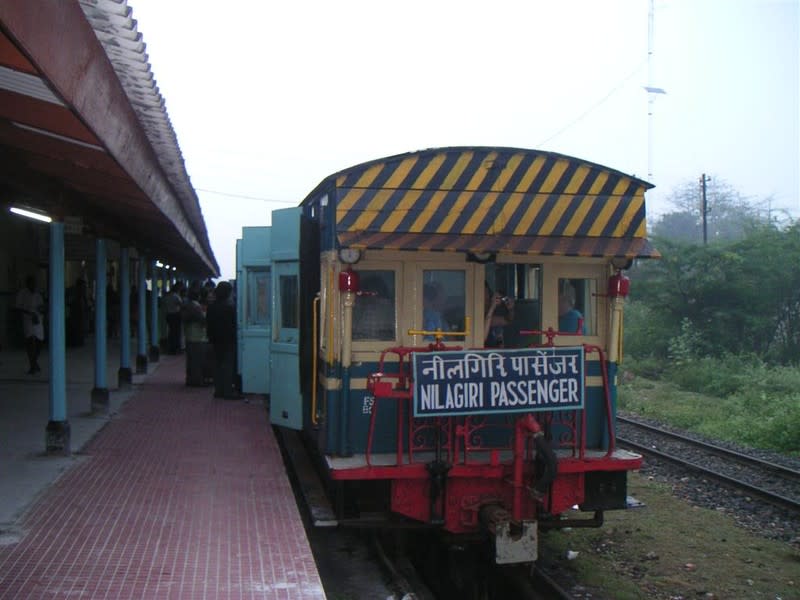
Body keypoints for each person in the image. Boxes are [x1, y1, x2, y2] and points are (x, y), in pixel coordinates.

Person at [205, 281, 240, 399]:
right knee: (227, 365)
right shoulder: (230, 307)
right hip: (228, 340)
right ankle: (227, 391)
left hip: (215, 340)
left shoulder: (211, 307)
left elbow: (208, 324)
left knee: (217, 365)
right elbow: (233, 325)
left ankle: (218, 390)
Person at [16, 275, 45, 374]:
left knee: (39, 341)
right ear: (27, 284)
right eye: (31, 283)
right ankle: (33, 365)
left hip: (38, 320)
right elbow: (18, 307)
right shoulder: (22, 293)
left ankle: (34, 362)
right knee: (29, 341)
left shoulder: (38, 294)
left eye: (34, 283)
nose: (33, 285)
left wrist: (40, 311)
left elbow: (41, 306)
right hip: (27, 320)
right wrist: (29, 313)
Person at [164, 282, 184, 354]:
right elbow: (181, 305)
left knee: (171, 332)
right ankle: (176, 348)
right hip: (176, 315)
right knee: (176, 333)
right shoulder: (176, 296)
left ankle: (171, 348)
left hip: (169, 315)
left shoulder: (167, 296)